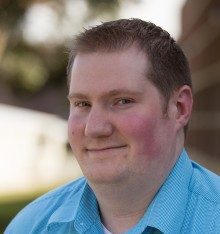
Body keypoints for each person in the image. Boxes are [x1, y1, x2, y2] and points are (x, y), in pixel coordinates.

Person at [5, 18, 220, 234]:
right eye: (82, 103)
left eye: (122, 101)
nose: (94, 128)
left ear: (179, 108)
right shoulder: (30, 226)